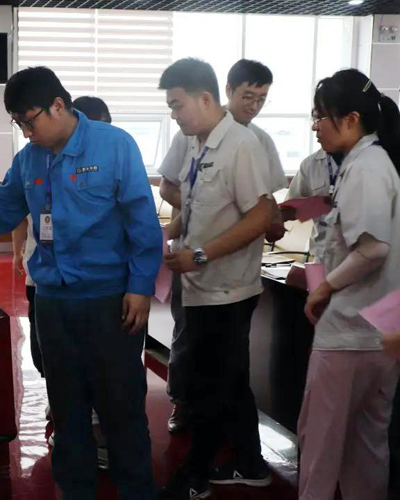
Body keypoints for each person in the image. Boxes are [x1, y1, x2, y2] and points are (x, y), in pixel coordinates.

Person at [0, 67, 163, 500]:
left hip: (110, 302)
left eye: (29, 121)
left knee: (122, 411)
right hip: (53, 303)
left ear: (58, 105)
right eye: (18, 124)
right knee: (67, 413)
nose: (26, 132)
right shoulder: (29, 159)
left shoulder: (115, 146)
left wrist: (141, 286)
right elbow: (2, 206)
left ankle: (137, 491)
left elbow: (142, 221)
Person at [156, 58, 274, 499]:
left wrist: (201, 255)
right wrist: (174, 232)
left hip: (227, 289)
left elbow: (262, 214)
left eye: (177, 105)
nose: (174, 114)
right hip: (201, 286)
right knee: (228, 381)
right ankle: (248, 463)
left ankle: (194, 476)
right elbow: (200, 204)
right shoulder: (199, 143)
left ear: (205, 98)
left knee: (210, 386)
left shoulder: (241, 144)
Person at [298, 68, 400, 500]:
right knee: (365, 445)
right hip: (376, 330)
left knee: (320, 443)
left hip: (350, 332)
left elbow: (372, 249)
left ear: (352, 119)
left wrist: (325, 287)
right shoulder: (368, 163)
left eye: (321, 117)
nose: (316, 126)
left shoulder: (367, 168)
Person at [11, 94, 114, 469]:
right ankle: (65, 406)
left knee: (94, 360)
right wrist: (16, 251)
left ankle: (96, 431)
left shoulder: (110, 161)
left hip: (92, 285)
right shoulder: (34, 158)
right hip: (44, 280)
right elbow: (14, 207)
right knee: (47, 354)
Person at [282, 148, 344, 262]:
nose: (318, 139)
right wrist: (272, 217)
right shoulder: (310, 164)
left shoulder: (365, 160)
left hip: (356, 255)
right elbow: (290, 207)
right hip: (321, 254)